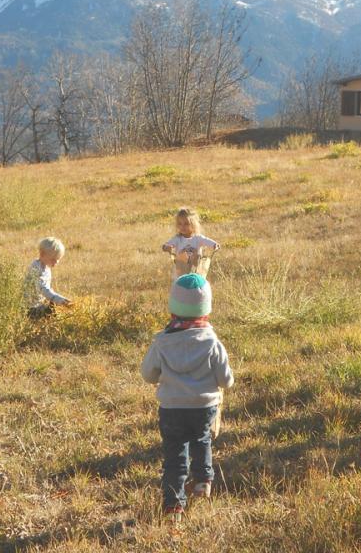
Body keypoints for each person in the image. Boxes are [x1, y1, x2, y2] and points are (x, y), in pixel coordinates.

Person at [141, 273, 234, 525]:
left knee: (175, 454)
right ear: (206, 309)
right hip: (204, 407)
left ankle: (173, 506)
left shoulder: (161, 342)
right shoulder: (212, 342)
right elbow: (226, 380)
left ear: (173, 307)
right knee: (202, 440)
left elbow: (148, 375)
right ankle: (203, 481)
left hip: (172, 408)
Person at [162, 207, 220, 279]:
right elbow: (166, 245)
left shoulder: (198, 238)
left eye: (186, 224)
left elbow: (207, 241)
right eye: (180, 224)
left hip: (196, 271)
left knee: (197, 257)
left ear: (193, 224)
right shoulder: (177, 239)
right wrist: (166, 247)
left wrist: (215, 245)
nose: (182, 226)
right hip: (181, 272)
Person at [24, 237, 72, 318]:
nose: (56, 262)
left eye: (58, 259)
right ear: (42, 254)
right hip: (29, 307)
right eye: (53, 259)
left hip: (38, 302)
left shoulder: (46, 267)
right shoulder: (36, 269)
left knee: (55, 306)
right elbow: (44, 289)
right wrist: (60, 300)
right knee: (54, 311)